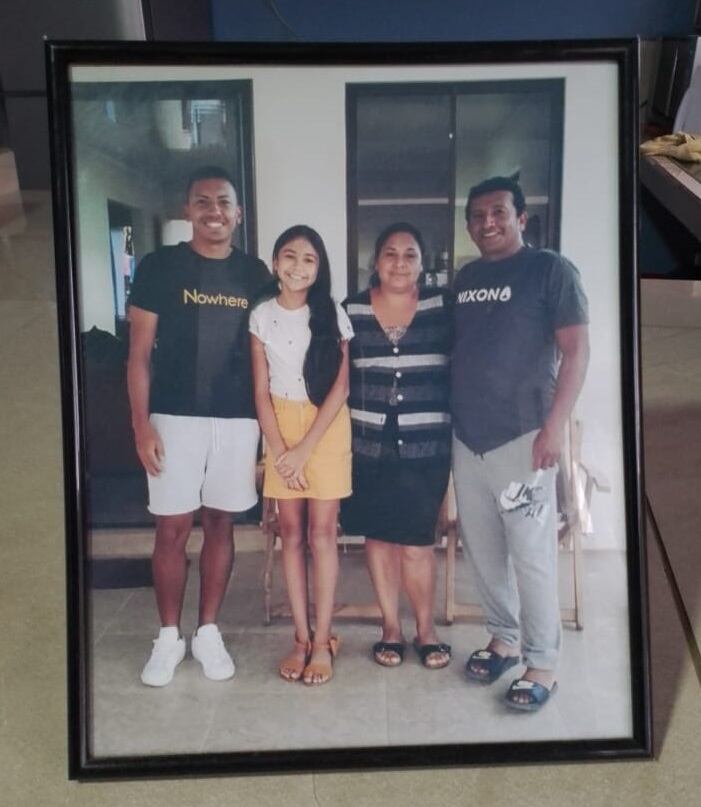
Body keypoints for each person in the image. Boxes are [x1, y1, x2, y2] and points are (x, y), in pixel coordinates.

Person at [127, 165, 270, 687]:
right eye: (202, 201)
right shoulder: (159, 267)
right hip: (173, 416)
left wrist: (267, 438)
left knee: (220, 523)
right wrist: (141, 425)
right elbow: (139, 355)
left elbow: (268, 357)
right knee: (171, 527)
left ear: (238, 213)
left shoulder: (257, 275)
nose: (214, 211)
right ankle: (168, 636)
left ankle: (208, 631)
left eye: (223, 202)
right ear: (188, 210)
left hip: (237, 420)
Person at [451, 175, 590, 711]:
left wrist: (553, 428)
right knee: (483, 552)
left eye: (498, 213)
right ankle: (504, 640)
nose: (488, 222)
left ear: (520, 219)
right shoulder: (465, 278)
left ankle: (543, 663)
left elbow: (576, 352)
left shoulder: (550, 270)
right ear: (468, 225)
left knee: (530, 556)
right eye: (478, 215)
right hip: (469, 440)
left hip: (524, 440)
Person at [342, 223, 452, 670]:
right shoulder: (350, 309)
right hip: (368, 444)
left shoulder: (442, 308)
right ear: (375, 262)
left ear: (423, 265)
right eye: (390, 253)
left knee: (417, 543)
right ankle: (391, 627)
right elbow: (334, 375)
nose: (399, 262)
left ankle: (426, 629)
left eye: (410, 254)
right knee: (379, 539)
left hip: (427, 442)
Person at [250, 224, 354, 685]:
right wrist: (278, 450)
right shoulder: (260, 316)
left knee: (323, 535)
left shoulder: (332, 312)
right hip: (279, 425)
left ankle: (324, 638)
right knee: (288, 534)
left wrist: (305, 448)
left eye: (309, 259)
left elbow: (342, 385)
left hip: (325, 427)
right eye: (289, 257)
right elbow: (259, 391)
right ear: (275, 263)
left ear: (319, 267)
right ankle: (300, 636)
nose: (298, 267)